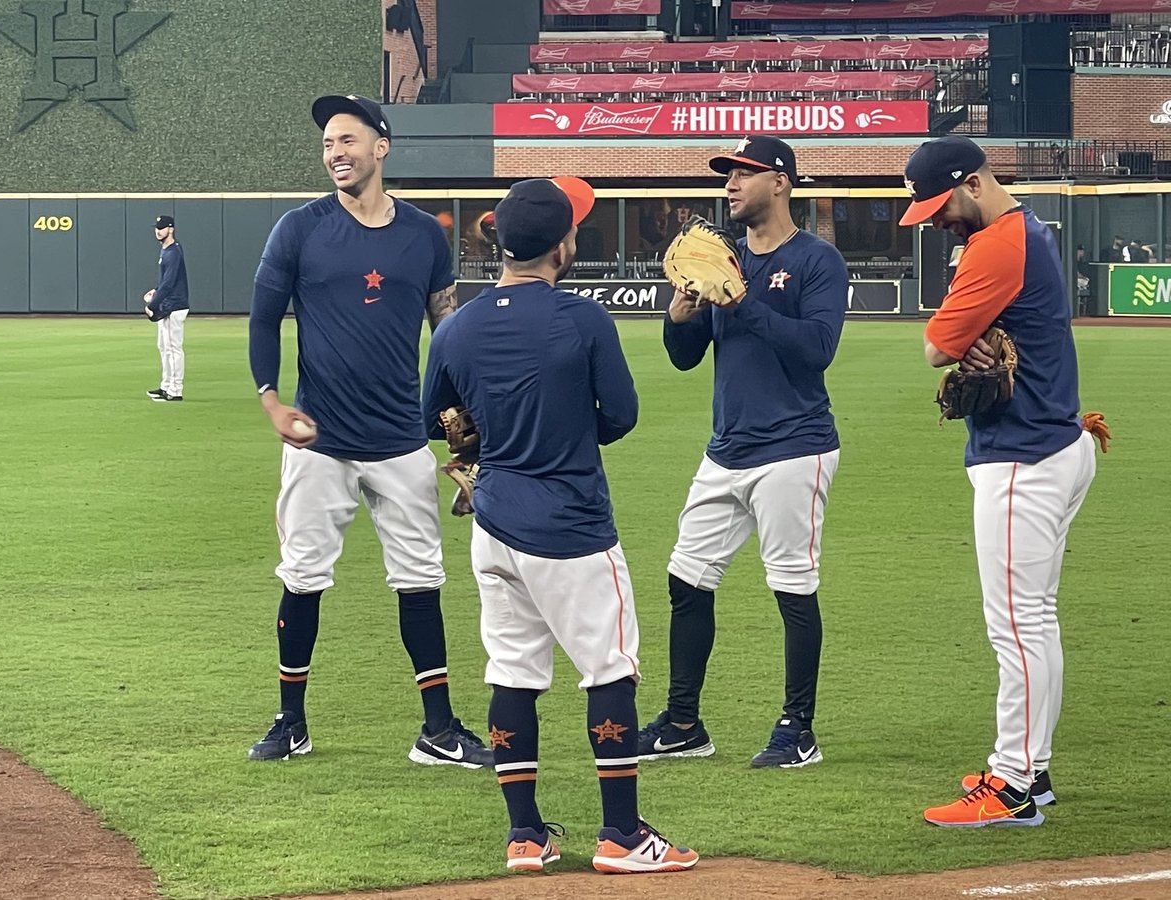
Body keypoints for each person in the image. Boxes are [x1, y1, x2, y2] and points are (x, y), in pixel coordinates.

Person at [422, 177, 698, 875]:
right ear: (563, 244)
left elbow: (438, 420)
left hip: (494, 520)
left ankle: (525, 837)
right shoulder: (583, 319)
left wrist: (491, 438)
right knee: (609, 667)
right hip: (572, 525)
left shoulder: (456, 326)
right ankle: (623, 835)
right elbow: (623, 415)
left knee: (512, 671)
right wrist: (571, 428)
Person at [244, 94, 492, 768]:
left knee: (420, 582)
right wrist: (270, 401)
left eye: (348, 140)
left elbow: (447, 329)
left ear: (382, 147)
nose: (336, 154)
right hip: (318, 441)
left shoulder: (422, 235)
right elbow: (263, 320)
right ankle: (290, 722)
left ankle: (438, 729)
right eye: (328, 143)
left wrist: (467, 411)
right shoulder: (298, 228)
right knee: (302, 578)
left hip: (402, 442)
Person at [899, 135, 1105, 827]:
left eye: (939, 206)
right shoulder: (1031, 227)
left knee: (1015, 629)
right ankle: (1032, 770)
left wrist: (965, 329)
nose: (935, 221)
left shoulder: (996, 245)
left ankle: (1011, 786)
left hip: (1024, 457)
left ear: (973, 184)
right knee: (1035, 624)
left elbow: (936, 347)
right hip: (1056, 442)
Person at [637, 135, 849, 769]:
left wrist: (742, 301)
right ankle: (682, 723)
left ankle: (797, 729)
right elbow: (684, 359)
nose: (729, 184)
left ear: (780, 182)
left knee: (792, 586)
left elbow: (816, 350)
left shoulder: (817, 260)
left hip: (794, 447)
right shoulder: (719, 260)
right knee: (686, 577)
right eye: (727, 175)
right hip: (726, 450)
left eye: (743, 173)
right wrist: (678, 315)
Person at [144, 215, 189, 402]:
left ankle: (175, 390)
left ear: (171, 229)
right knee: (164, 347)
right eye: (157, 227)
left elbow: (169, 284)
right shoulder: (167, 250)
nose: (158, 230)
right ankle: (166, 386)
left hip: (174, 306)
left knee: (172, 348)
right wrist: (156, 292)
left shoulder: (173, 252)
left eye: (162, 227)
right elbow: (165, 282)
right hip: (167, 304)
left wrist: (152, 305)